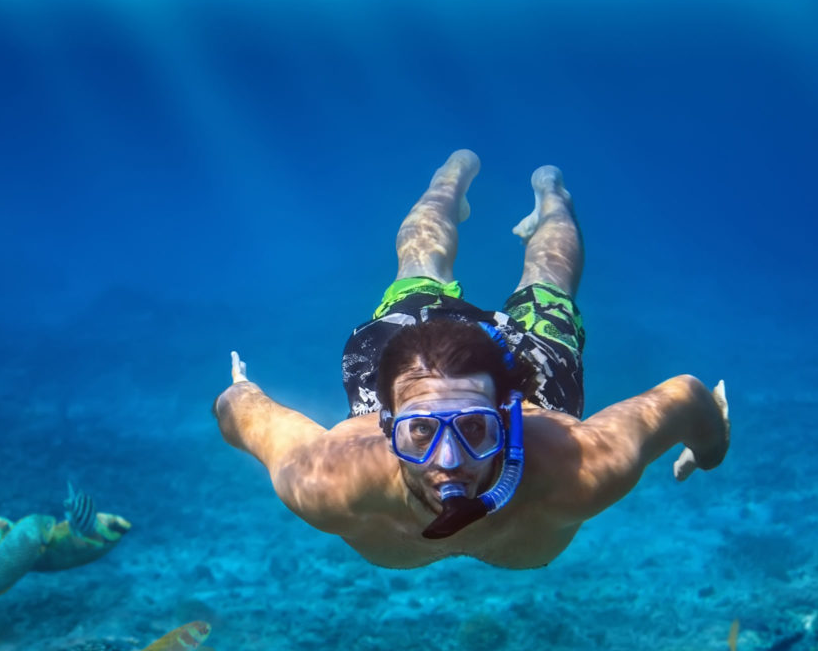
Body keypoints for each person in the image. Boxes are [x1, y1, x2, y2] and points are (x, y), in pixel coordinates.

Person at [214, 150, 729, 569]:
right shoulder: (326, 480)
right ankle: (449, 181)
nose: (448, 460)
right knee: (427, 262)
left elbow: (685, 397)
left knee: (548, 279)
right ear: (386, 423)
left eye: (475, 428)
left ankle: (554, 196)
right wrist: (239, 392)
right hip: (412, 349)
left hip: (529, 368)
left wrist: (707, 453)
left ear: (507, 417)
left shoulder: (581, 466)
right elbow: (243, 416)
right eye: (419, 431)